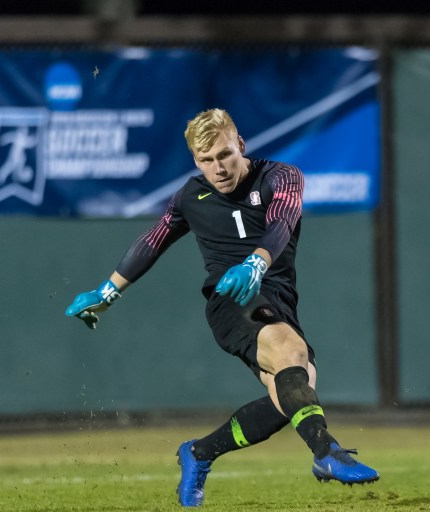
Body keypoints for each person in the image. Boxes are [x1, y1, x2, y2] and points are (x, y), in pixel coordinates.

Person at [65, 108, 379, 507]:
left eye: (225, 155)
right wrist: (106, 292)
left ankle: (198, 453)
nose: (218, 168)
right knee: (291, 354)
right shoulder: (189, 198)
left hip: (276, 297)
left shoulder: (282, 177)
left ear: (240, 146)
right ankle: (326, 452)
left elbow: (282, 221)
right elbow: (152, 241)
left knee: (292, 396)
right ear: (196, 161)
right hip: (231, 299)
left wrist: (257, 261)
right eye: (206, 160)